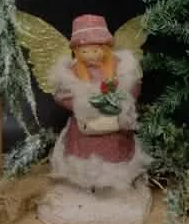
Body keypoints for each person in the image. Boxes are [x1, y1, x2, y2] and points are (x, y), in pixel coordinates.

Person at [48, 14, 152, 192]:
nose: (90, 56)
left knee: (115, 152)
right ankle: (86, 183)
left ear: (105, 48)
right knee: (82, 154)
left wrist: (119, 99)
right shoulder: (71, 71)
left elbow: (133, 87)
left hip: (114, 125)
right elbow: (60, 95)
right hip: (85, 127)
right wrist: (81, 103)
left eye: (95, 50)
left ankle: (115, 183)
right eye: (84, 51)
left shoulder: (121, 67)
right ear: (76, 51)